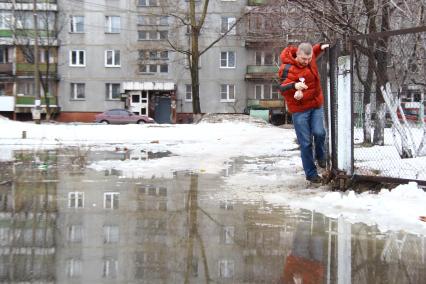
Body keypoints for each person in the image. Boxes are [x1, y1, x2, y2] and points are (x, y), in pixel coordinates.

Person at [278, 42, 329, 183]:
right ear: (297, 55)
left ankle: (321, 156)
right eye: (303, 59)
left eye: (309, 59)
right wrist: (294, 87)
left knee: (320, 133)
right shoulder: (286, 67)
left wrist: (320, 47)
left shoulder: (310, 58)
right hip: (299, 110)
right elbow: (282, 88)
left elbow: (314, 51)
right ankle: (311, 174)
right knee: (306, 143)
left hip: (316, 104)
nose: (306, 62)